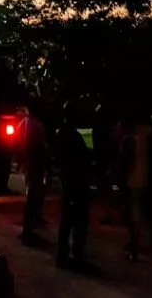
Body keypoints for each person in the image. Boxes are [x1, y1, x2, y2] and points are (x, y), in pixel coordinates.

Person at [121, 112, 152, 262]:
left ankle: (135, 249)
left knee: (135, 216)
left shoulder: (129, 140)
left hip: (134, 181)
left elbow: (123, 163)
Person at [56, 100, 93, 269]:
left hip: (70, 182)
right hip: (75, 183)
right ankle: (74, 255)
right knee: (76, 221)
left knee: (67, 222)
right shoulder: (71, 135)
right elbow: (80, 158)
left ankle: (65, 254)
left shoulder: (63, 133)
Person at [17, 98, 49, 246]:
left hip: (28, 163)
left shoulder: (23, 123)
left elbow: (17, 143)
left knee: (32, 194)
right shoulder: (36, 125)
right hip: (35, 164)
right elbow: (40, 147)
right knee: (34, 196)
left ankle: (29, 226)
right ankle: (28, 229)